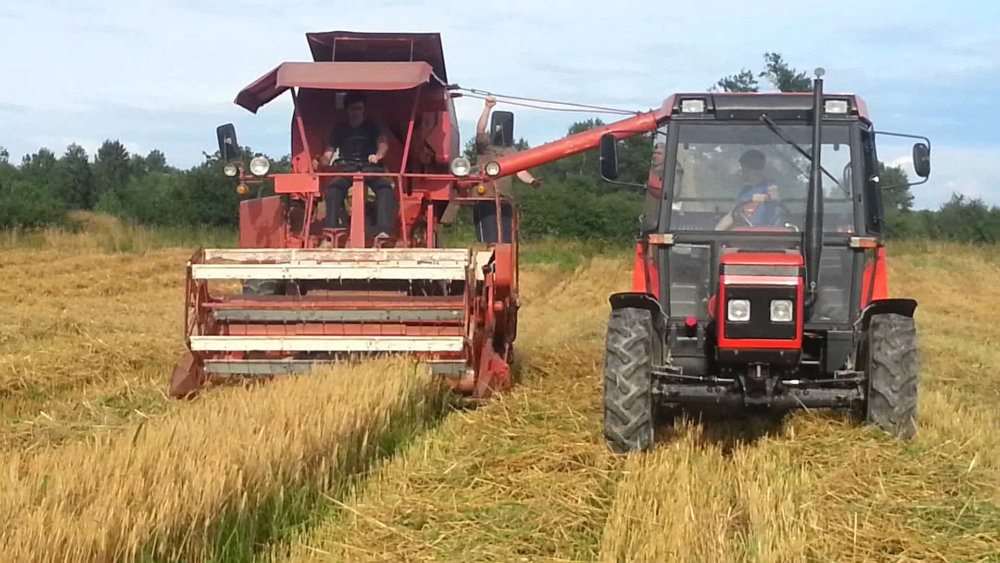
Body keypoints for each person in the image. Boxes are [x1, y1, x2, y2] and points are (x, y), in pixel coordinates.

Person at [314, 92, 396, 243]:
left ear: (363, 109)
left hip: (370, 167)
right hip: (347, 168)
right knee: (333, 189)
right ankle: (330, 231)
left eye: (359, 108)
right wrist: (321, 161)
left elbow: (383, 144)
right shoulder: (340, 128)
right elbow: (328, 154)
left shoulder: (373, 126)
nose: (356, 112)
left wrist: (377, 156)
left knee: (385, 188)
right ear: (347, 110)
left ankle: (383, 230)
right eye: (353, 108)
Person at [473, 96, 541, 244]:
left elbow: (520, 171)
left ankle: (503, 265)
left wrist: (532, 181)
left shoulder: (512, 151)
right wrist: (487, 108)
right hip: (486, 199)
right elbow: (480, 130)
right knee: (489, 241)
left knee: (507, 240)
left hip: (506, 201)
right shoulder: (485, 146)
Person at [714, 149, 781, 230]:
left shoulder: (769, 185)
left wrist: (765, 197)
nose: (740, 172)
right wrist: (715, 232)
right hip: (747, 234)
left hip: (768, 234)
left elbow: (776, 198)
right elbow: (731, 215)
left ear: (750, 170)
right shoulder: (744, 192)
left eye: (742, 168)